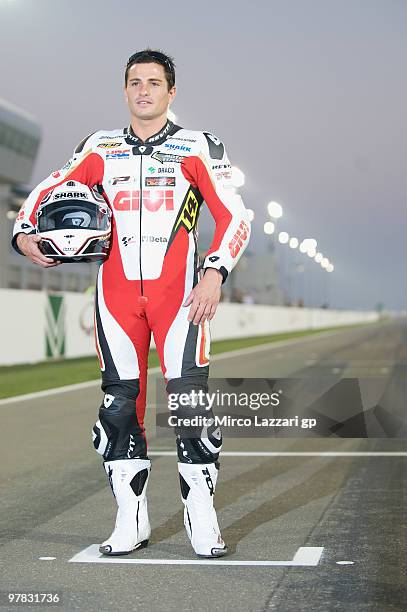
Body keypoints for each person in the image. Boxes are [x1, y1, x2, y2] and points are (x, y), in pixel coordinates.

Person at [12, 49, 251, 558]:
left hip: (181, 299)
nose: (144, 90)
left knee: (190, 410)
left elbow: (236, 217)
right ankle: (131, 519)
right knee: (119, 410)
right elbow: (50, 188)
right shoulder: (100, 146)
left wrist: (214, 272)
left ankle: (201, 517)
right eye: (135, 82)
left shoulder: (197, 147)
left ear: (171, 92)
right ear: (125, 90)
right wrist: (23, 233)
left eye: (154, 82)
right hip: (116, 297)